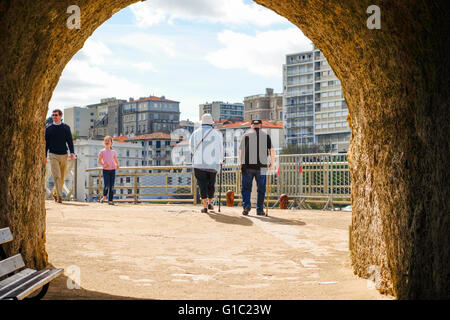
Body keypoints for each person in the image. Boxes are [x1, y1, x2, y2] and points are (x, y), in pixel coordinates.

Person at [238, 119, 275, 216]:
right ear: (261, 126)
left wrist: (241, 162)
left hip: (247, 166)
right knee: (261, 188)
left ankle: (246, 206)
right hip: (262, 166)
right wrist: (272, 162)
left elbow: (240, 151)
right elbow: (272, 150)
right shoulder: (266, 136)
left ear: (251, 126)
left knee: (246, 188)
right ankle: (260, 209)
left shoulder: (245, 135)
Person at [189, 113, 223, 213]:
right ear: (211, 123)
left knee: (202, 184)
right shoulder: (216, 134)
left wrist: (198, 154)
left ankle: (204, 206)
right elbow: (220, 149)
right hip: (213, 164)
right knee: (211, 184)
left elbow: (191, 147)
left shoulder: (195, 133)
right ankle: (210, 203)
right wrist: (221, 159)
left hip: (199, 164)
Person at [45, 109, 76, 203]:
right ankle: (59, 197)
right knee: (57, 176)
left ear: (60, 116)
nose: (54, 116)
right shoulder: (49, 128)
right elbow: (46, 143)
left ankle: (55, 192)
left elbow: (70, 141)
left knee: (62, 177)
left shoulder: (66, 127)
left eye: (56, 115)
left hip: (64, 155)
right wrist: (44, 156)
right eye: (53, 115)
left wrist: (72, 153)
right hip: (53, 154)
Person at [98, 136, 119, 205]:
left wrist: (117, 165)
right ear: (103, 142)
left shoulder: (113, 152)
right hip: (106, 170)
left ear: (111, 143)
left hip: (112, 170)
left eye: (108, 141)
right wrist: (103, 165)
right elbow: (99, 161)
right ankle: (104, 197)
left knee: (112, 186)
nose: (107, 142)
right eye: (105, 140)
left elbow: (115, 160)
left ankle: (110, 200)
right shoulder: (102, 151)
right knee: (106, 185)